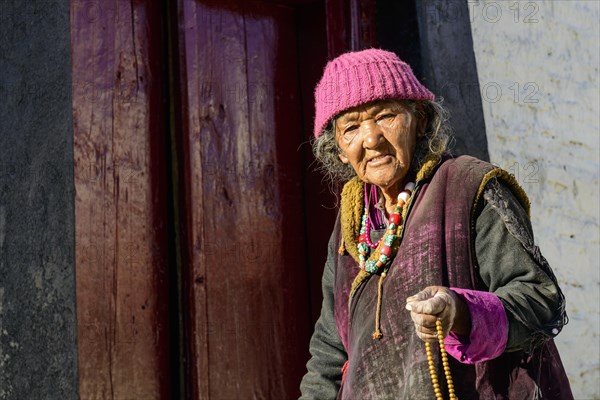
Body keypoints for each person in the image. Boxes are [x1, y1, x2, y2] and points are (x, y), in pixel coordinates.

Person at [299, 49, 573, 399]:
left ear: (421, 120)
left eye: (385, 116)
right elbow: (329, 352)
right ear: (338, 149)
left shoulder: (470, 186)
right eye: (351, 127)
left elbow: (540, 301)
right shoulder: (352, 223)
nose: (371, 139)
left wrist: (461, 311)